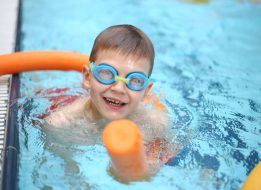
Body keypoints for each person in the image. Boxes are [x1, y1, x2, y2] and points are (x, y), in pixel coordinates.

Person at [44, 24, 178, 180]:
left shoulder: (156, 123)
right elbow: (62, 174)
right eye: (107, 73)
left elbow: (167, 158)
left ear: (146, 91)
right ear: (88, 78)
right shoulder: (61, 123)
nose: (119, 89)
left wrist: (147, 167)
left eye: (135, 80)